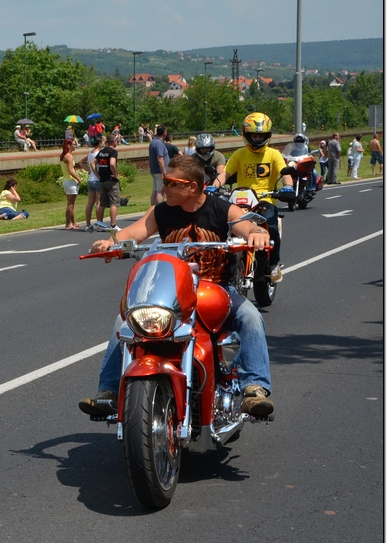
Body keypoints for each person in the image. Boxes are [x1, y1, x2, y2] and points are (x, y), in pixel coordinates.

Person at [79, 155, 276, 418]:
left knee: (250, 317)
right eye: (163, 181)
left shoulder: (222, 209)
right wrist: (110, 242)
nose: (163, 189)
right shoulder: (161, 211)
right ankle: (110, 392)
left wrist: (256, 233)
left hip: (215, 288)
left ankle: (254, 388)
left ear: (192, 187)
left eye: (170, 183)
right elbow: (132, 233)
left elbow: (245, 225)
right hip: (171, 291)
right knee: (124, 322)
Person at [210, 112, 295, 283]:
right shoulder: (239, 154)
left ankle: (273, 264)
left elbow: (284, 172)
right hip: (239, 201)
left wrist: (288, 186)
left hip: (265, 200)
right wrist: (213, 186)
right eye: (253, 135)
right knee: (219, 228)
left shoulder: (273, 154)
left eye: (260, 136)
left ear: (267, 136)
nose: (257, 139)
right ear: (246, 135)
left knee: (270, 228)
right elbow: (226, 173)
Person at [95, 133, 121, 228]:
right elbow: (112, 163)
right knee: (114, 202)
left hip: (102, 179)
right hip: (111, 179)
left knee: (102, 203)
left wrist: (97, 174)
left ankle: (99, 223)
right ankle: (113, 225)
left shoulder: (102, 151)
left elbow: (93, 162)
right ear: (114, 141)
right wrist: (115, 175)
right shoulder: (113, 151)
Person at [59, 138, 80, 230]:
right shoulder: (69, 157)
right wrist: (79, 179)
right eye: (74, 144)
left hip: (66, 181)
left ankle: (73, 222)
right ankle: (68, 223)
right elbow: (71, 171)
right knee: (70, 205)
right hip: (70, 182)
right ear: (68, 145)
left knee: (71, 204)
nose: (75, 146)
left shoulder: (64, 155)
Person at [83, 135, 102, 229]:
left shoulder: (90, 153)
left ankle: (88, 224)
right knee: (99, 202)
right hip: (97, 179)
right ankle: (99, 224)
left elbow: (80, 162)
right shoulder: (99, 153)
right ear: (100, 143)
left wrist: (88, 170)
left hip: (91, 179)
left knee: (90, 203)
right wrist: (97, 174)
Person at [148, 124, 169, 205]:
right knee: (160, 191)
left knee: (155, 190)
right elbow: (160, 158)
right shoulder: (159, 144)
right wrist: (164, 171)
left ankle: (153, 209)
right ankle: (159, 209)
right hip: (159, 171)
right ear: (164, 133)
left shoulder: (153, 142)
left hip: (154, 170)